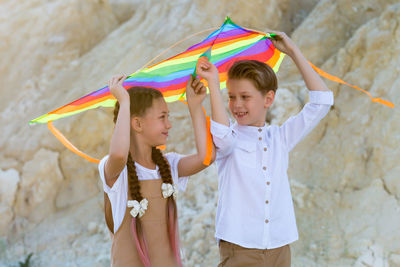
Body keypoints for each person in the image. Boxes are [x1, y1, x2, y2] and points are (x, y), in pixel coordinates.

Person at [195, 31, 334, 266]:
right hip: (240, 248)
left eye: (245, 96)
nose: (236, 104)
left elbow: (322, 102)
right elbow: (222, 135)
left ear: (268, 99)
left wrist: (293, 52)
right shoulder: (230, 139)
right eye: (231, 96)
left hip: (280, 246)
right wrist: (214, 86)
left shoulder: (279, 138)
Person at [98, 74, 215, 267]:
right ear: (137, 124)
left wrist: (194, 105)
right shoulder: (116, 171)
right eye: (162, 117)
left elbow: (206, 157)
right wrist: (124, 102)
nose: (169, 124)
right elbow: (119, 154)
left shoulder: (168, 165)